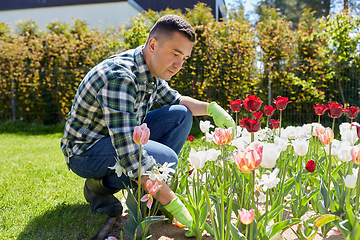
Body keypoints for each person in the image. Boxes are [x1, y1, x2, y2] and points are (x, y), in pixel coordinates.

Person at [60, 14, 234, 237]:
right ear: (153, 44)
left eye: (185, 58)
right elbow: (132, 156)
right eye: (175, 54)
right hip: (86, 152)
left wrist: (211, 109)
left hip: (116, 139)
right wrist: (176, 207)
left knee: (181, 115)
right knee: (165, 160)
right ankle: (100, 186)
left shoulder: (149, 70)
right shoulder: (120, 77)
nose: (179, 65)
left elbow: (177, 101)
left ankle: (150, 190)